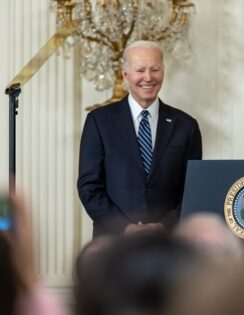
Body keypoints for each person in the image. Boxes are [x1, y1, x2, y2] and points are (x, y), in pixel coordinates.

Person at [77, 40, 202, 237]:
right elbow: (89, 187)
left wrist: (163, 226)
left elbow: (192, 190)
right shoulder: (99, 121)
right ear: (125, 75)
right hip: (113, 243)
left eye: (155, 69)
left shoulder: (186, 126)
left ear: (163, 72)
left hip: (168, 245)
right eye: (140, 70)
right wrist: (124, 228)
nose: (148, 77)